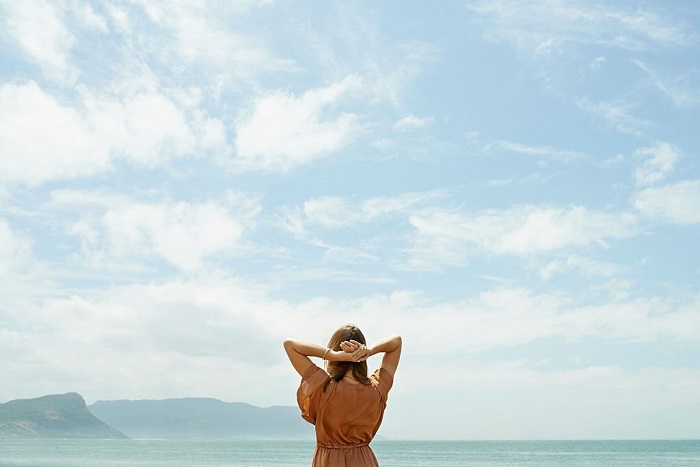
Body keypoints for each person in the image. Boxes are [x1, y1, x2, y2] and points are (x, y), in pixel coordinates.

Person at [283, 325, 402, 466]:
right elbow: (396, 342)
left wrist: (332, 354)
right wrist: (368, 351)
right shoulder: (377, 387)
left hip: (329, 461)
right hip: (365, 460)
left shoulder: (324, 385)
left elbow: (290, 345)